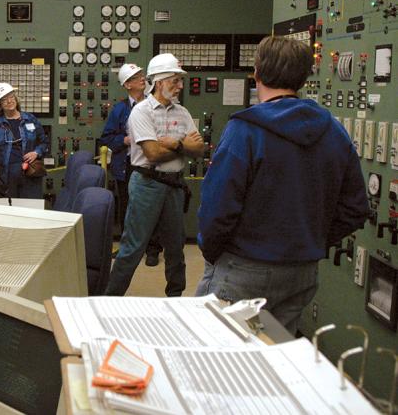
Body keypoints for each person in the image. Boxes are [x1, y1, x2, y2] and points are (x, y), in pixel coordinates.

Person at [195, 36, 368, 334]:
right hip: (301, 272)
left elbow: (217, 209)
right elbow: (355, 208)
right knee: (272, 357)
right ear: (303, 76)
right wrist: (310, 242)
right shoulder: (334, 131)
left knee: (213, 356)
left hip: (243, 268)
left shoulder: (245, 130)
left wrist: (212, 251)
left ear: (257, 73)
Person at [104, 53, 205, 297]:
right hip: (147, 184)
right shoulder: (141, 112)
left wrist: (174, 144)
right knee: (132, 248)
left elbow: (200, 149)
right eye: (175, 81)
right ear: (159, 81)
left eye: (180, 81)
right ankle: (109, 299)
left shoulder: (181, 112)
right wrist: (182, 145)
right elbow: (152, 153)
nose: (180, 86)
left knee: (175, 249)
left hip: (174, 186)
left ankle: (176, 298)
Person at [99, 63, 164, 267]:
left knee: (151, 206)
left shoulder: (155, 105)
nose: (142, 80)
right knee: (128, 207)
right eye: (136, 78)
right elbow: (107, 137)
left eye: (142, 76)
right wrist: (125, 141)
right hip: (126, 164)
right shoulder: (119, 110)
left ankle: (152, 249)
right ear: (127, 85)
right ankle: (127, 247)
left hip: (150, 163)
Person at [0, 83, 49, 199]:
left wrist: (36, 152)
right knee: (9, 211)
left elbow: (44, 142)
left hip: (30, 176)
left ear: (16, 99)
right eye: (4, 100)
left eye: (11, 97)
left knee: (30, 210)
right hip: (6, 177)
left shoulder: (30, 119)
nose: (9, 101)